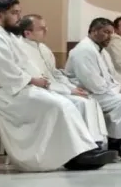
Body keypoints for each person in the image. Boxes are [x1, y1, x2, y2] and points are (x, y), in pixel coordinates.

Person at [0, 0, 116, 171]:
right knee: (59, 104)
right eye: (14, 13)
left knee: (64, 102)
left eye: (19, 12)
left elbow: (23, 66)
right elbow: (6, 73)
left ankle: (80, 152)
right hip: (5, 96)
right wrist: (33, 80)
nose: (19, 17)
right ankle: (75, 156)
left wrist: (39, 81)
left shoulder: (6, 37)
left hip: (16, 89)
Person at [65, 18, 121, 159]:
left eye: (111, 33)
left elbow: (112, 77)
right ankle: (114, 144)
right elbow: (92, 83)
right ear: (94, 31)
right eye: (106, 32)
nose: (110, 36)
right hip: (86, 92)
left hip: (103, 90)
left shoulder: (103, 52)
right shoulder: (83, 50)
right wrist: (118, 92)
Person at [16, 14, 109, 144]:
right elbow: (41, 81)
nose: (46, 31)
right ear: (27, 33)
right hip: (40, 91)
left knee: (88, 99)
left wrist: (72, 87)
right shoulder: (21, 49)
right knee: (80, 103)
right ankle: (81, 147)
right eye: (42, 28)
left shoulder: (43, 48)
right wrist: (69, 91)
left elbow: (55, 74)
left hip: (56, 88)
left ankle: (96, 144)